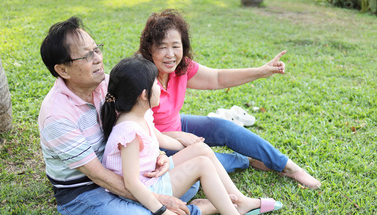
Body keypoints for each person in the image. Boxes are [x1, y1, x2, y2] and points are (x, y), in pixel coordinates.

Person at [38, 17, 210, 215]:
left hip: (125, 172)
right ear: (62, 69)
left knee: (188, 177)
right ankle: (201, 208)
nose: (98, 58)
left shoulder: (107, 84)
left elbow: (142, 122)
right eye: (87, 56)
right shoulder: (56, 116)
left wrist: (157, 153)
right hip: (85, 189)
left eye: (96, 49)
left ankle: (154, 207)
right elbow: (97, 176)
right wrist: (159, 202)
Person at [100, 56, 282, 215]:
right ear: (144, 95)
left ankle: (242, 202)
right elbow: (131, 183)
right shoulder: (129, 133)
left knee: (201, 151)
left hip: (151, 175)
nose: (160, 88)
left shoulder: (140, 114)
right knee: (202, 165)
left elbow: (160, 139)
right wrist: (162, 212)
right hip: (147, 190)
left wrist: (192, 146)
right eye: (155, 83)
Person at [137, 9, 321, 189]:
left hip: (177, 125)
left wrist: (261, 71)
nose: (170, 54)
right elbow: (134, 128)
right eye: (162, 47)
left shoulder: (181, 66)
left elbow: (218, 78)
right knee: (206, 158)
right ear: (149, 49)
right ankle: (247, 160)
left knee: (223, 127)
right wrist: (175, 136)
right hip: (158, 146)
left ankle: (290, 167)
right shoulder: (140, 76)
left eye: (176, 46)